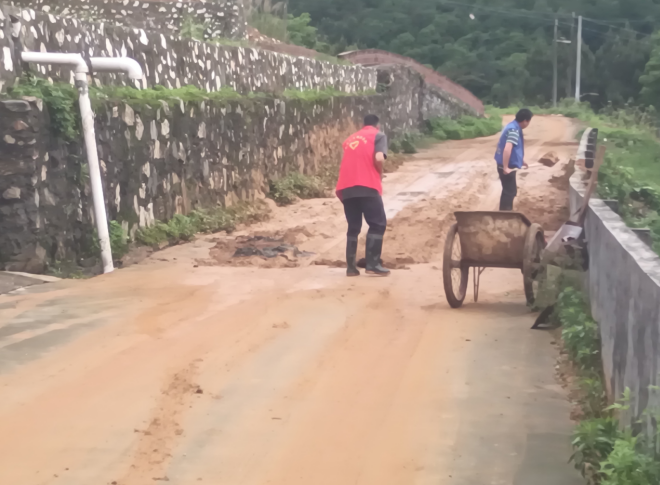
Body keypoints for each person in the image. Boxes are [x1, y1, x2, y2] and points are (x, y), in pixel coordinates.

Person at [335, 114, 390, 277]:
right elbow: (379, 157)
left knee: (353, 227)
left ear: (362, 125)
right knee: (378, 224)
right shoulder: (378, 136)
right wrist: (379, 173)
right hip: (367, 185)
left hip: (346, 187)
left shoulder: (350, 139)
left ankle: (351, 268)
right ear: (377, 125)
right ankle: (372, 264)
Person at [494, 108, 533, 211]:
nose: (528, 124)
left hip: (505, 164)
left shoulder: (512, 125)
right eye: (529, 121)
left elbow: (514, 150)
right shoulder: (514, 130)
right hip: (506, 166)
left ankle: (504, 213)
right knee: (510, 192)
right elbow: (507, 149)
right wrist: (506, 167)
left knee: (508, 190)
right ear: (525, 120)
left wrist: (521, 161)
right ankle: (505, 215)